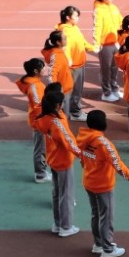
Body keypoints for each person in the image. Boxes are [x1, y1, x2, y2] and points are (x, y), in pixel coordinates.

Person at [76, 110, 129, 257]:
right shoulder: (104, 144)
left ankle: (98, 244)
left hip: (89, 182)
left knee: (96, 214)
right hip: (103, 186)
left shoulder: (83, 138)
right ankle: (108, 249)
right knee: (106, 216)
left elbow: (82, 158)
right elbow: (118, 165)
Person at [33, 86, 82, 237]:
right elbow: (68, 140)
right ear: (57, 105)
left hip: (53, 159)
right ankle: (66, 226)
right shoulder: (56, 122)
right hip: (63, 160)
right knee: (66, 194)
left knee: (57, 193)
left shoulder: (44, 118)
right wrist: (82, 154)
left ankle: (58, 223)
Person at [16, 58, 49, 183]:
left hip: (40, 119)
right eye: (43, 68)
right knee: (40, 148)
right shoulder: (34, 87)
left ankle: (42, 171)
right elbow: (38, 105)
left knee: (41, 147)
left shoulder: (35, 83)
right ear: (36, 71)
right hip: (39, 121)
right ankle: (40, 174)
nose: (45, 70)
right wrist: (45, 121)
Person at [93, 0, 123, 102]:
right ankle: (106, 92)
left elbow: (120, 22)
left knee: (114, 67)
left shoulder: (114, 8)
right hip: (104, 44)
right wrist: (97, 43)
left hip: (115, 42)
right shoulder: (98, 10)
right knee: (106, 69)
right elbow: (97, 27)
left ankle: (114, 88)